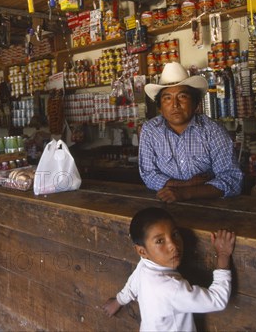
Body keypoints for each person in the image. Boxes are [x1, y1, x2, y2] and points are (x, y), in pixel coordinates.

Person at [102, 207, 236, 331]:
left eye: (175, 234)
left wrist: (118, 301)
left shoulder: (145, 265)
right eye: (160, 241)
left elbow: (133, 283)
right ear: (142, 251)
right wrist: (223, 255)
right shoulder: (172, 288)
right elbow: (218, 300)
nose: (173, 245)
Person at [139, 63, 243, 202]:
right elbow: (149, 175)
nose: (175, 105)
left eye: (182, 96)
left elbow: (231, 179)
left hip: (209, 204)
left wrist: (185, 193)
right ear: (160, 108)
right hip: (165, 202)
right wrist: (186, 185)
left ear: (195, 104)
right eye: (167, 98)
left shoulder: (213, 130)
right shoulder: (150, 130)